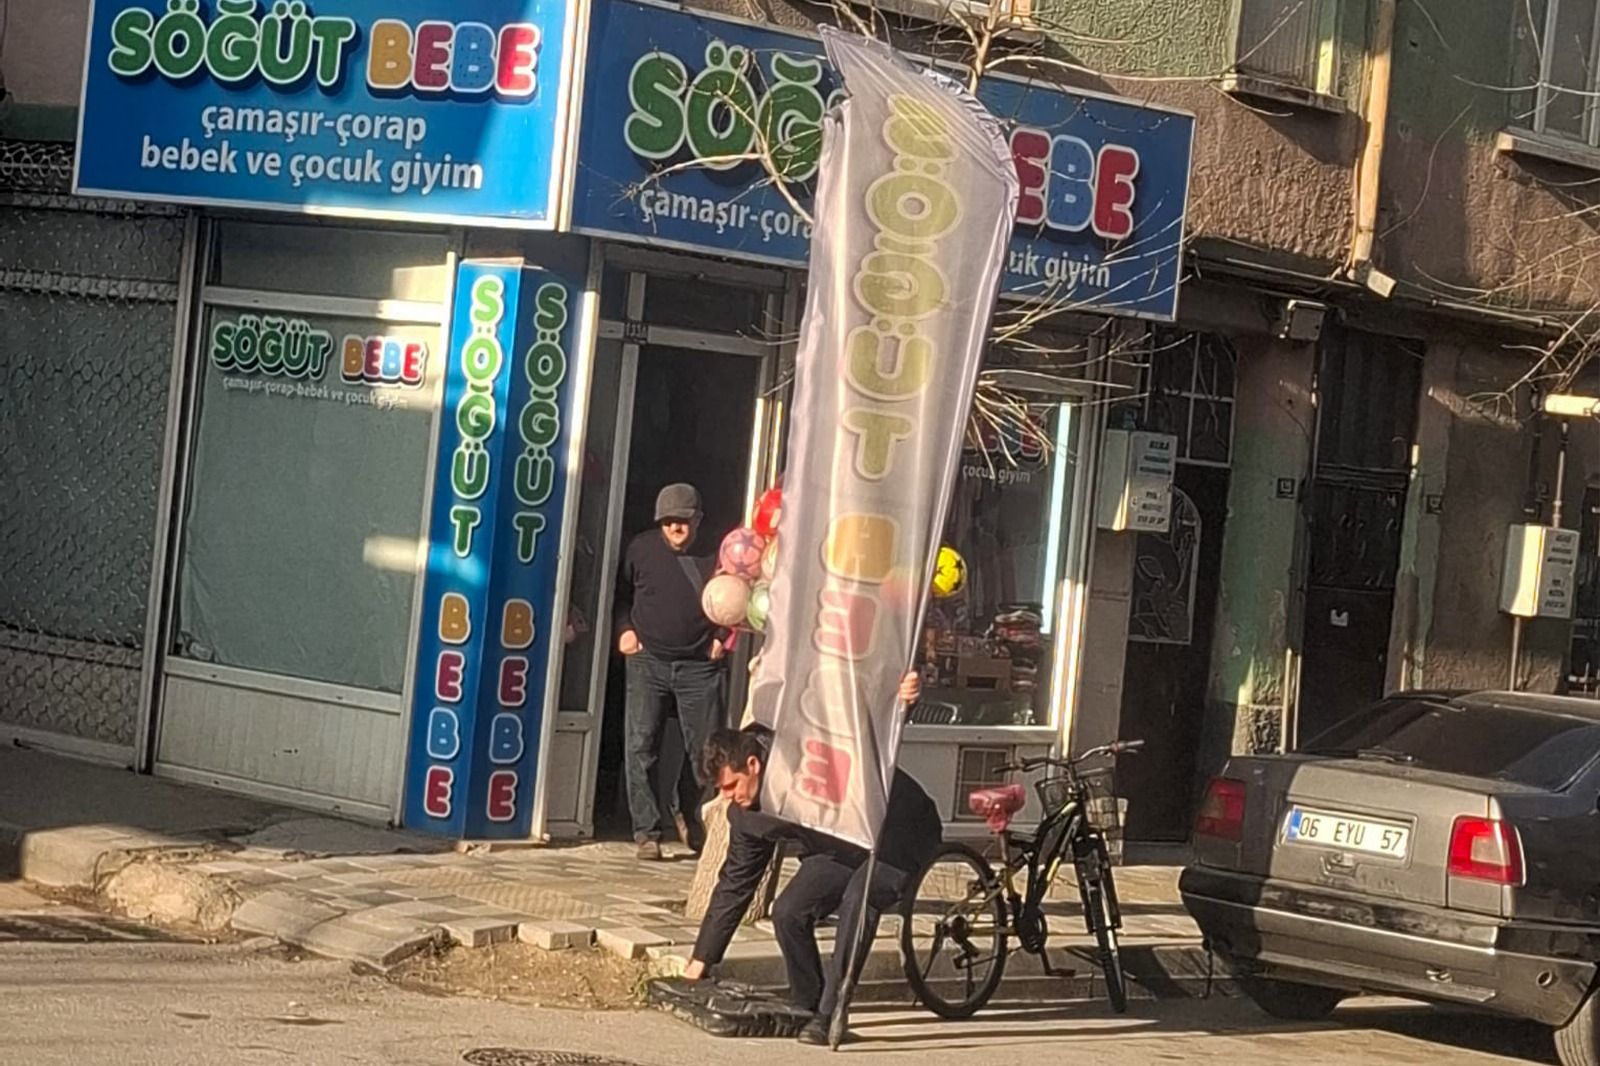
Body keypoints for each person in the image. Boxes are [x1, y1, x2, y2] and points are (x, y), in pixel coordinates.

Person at [682, 671, 941, 1046]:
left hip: (896, 828)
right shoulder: (747, 815)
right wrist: (701, 959)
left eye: (731, 785)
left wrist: (902, 702)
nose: (728, 797)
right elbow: (735, 884)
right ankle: (806, 1002)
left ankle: (831, 1011)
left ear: (753, 764)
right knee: (789, 911)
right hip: (839, 845)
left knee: (858, 900)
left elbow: (866, 732)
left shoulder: (804, 746)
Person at [615, 483, 729, 861]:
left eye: (682, 521)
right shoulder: (641, 549)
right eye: (667, 522)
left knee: (705, 750)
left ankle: (692, 816)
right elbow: (620, 594)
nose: (675, 528)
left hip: (699, 665)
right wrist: (624, 630)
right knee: (640, 745)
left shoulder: (718, 553)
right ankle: (647, 832)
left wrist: (722, 637)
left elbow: (737, 598)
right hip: (648, 659)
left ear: (698, 520)